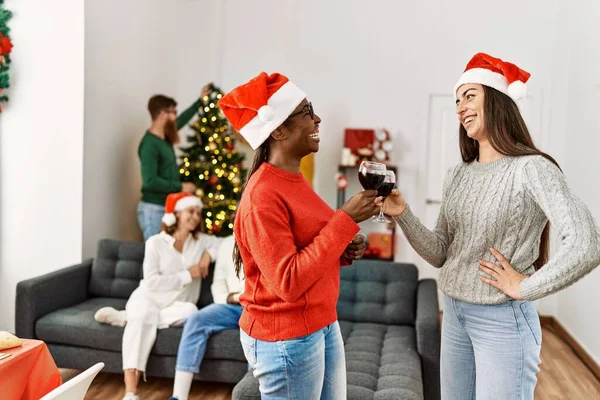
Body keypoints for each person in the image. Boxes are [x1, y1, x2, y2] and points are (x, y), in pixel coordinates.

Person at [380, 52, 600, 399]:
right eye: (457, 100)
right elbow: (440, 252)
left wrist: (526, 287)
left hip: (502, 322)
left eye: (470, 95)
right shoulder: (458, 175)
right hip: (453, 313)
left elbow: (587, 243)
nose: (460, 107)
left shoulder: (532, 168)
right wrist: (403, 212)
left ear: (498, 101)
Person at [218, 72, 376, 400]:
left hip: (320, 322)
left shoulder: (294, 179)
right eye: (306, 112)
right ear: (277, 129)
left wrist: (345, 247)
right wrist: (345, 221)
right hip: (286, 336)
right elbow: (288, 282)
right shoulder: (263, 194)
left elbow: (310, 244)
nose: (317, 118)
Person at [94, 192, 221, 400]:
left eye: (198, 212)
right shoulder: (155, 243)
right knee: (143, 316)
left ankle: (126, 317)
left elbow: (223, 243)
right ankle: (131, 392)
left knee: (191, 311)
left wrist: (207, 256)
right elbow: (151, 281)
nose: (196, 216)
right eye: (191, 211)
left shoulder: (200, 242)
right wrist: (188, 274)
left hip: (177, 305)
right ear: (176, 214)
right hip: (149, 298)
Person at [168, 234, 244, 400]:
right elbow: (218, 283)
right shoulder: (226, 244)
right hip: (229, 304)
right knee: (196, 320)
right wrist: (230, 298)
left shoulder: (266, 239)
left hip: (257, 306)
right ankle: (178, 396)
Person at [137, 83, 212, 241]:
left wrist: (200, 101)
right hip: (153, 210)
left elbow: (182, 121)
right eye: (173, 112)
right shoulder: (149, 144)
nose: (176, 117)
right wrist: (181, 187)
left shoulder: (164, 137)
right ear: (162, 113)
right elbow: (150, 182)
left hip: (163, 208)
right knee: (155, 257)